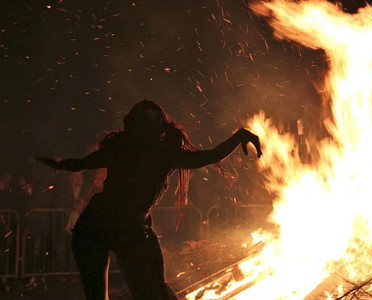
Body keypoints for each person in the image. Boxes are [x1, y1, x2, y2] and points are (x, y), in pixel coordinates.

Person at [36, 100, 262, 300]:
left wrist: (55, 165)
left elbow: (79, 164)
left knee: (152, 292)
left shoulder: (150, 153)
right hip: (99, 229)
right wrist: (239, 136)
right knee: (145, 292)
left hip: (126, 230)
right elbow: (210, 156)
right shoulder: (135, 151)